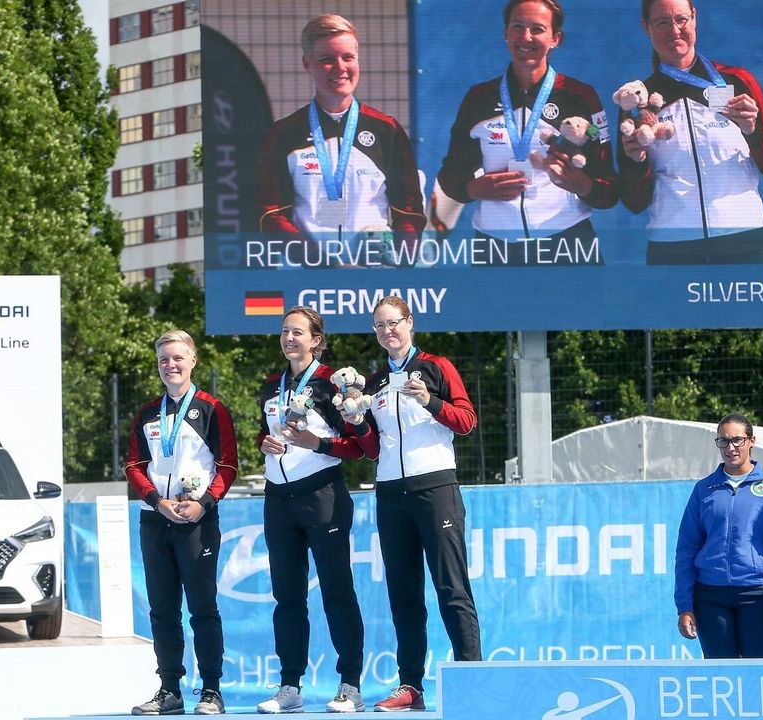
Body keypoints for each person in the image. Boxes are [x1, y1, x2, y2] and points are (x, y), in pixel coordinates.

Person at [342, 295, 481, 712]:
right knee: (403, 594)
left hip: (435, 488)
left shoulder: (437, 367)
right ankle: (411, 686)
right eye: (379, 325)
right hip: (390, 494)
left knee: (451, 588)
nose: (388, 331)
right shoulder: (374, 381)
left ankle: (471, 678)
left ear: (410, 323)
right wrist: (357, 423)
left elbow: (467, 421)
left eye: (394, 323)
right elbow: (370, 449)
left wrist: (431, 402)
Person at [618, 0, 763, 265]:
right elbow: (634, 202)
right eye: (662, 22)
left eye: (681, 19)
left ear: (694, 18)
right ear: (646, 27)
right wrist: (635, 162)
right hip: (673, 251)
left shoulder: (736, 81)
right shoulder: (638, 101)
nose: (675, 30)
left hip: (745, 244)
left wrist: (753, 132)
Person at [436, 0, 617, 256]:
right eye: (517, 26)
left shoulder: (580, 96)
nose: (526, 37)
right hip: (495, 246)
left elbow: (609, 187)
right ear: (506, 34)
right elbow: (451, 174)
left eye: (538, 29)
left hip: (567, 243)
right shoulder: (478, 98)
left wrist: (581, 184)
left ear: (556, 39)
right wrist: (473, 189)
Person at [254, 307, 367, 714]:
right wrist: (262, 444)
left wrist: (315, 443)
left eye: (298, 332)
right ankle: (290, 687)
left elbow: (361, 447)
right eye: (285, 331)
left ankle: (350, 685)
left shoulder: (332, 385)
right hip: (277, 499)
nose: (289, 338)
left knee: (337, 592)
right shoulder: (271, 386)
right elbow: (262, 434)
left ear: (316, 340)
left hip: (323, 497)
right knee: (286, 596)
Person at [124, 330, 238, 716]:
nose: (170, 366)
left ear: (193, 361)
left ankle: (211, 690)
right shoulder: (145, 414)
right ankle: (169, 689)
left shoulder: (212, 409)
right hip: (156, 520)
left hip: (196, 521)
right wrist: (156, 502)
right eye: (163, 360)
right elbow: (134, 466)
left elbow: (228, 465)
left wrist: (204, 503)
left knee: (203, 608)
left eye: (177, 358)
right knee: (162, 610)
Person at [257, 14, 426, 268]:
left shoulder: (386, 129)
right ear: (307, 64)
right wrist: (320, 263)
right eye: (327, 59)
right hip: (308, 276)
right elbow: (271, 214)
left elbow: (409, 211)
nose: (340, 68)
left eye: (348, 57)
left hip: (375, 274)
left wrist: (402, 262)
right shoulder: (284, 133)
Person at [673, 414, 763, 658]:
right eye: (724, 441)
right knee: (720, 676)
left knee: (760, 675)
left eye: (738, 440)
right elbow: (687, 549)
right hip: (710, 596)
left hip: (759, 594)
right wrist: (685, 606)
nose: (731, 447)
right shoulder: (704, 489)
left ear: (752, 441)